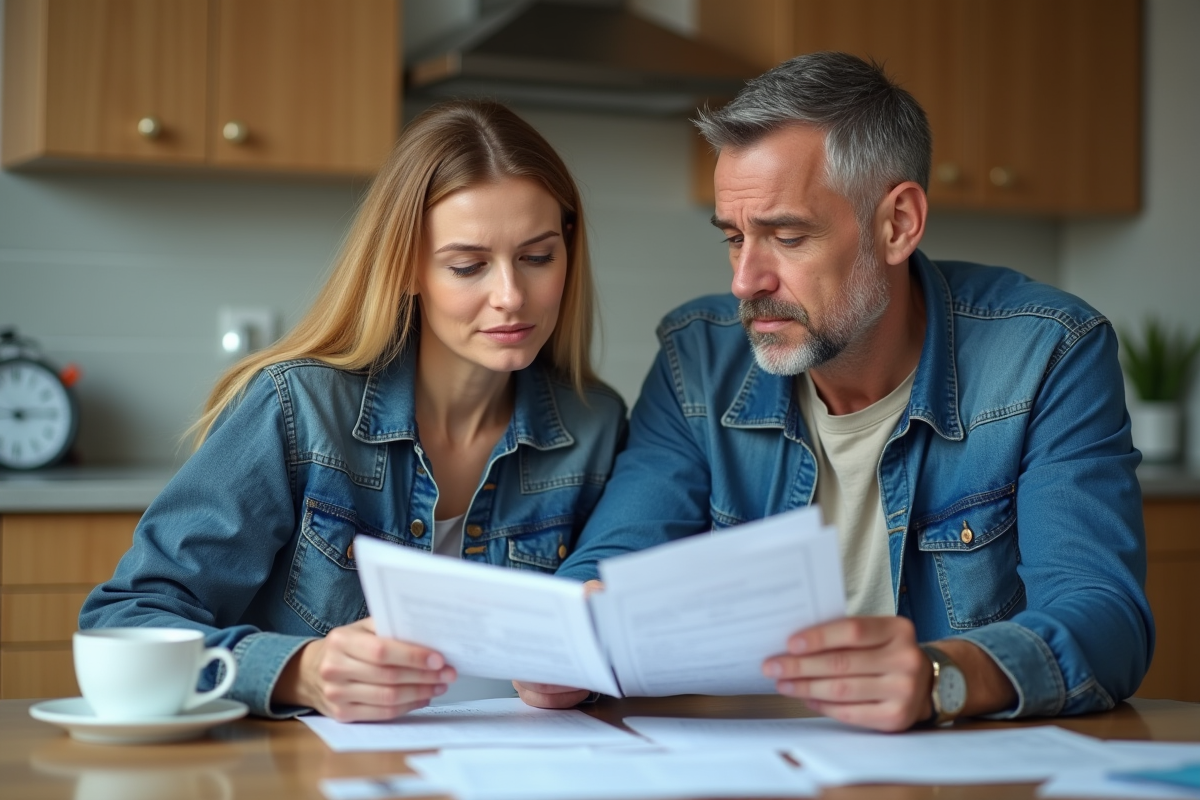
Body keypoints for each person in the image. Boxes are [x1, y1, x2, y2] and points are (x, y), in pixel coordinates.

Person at [522, 52, 1153, 730]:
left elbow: (1104, 616)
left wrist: (943, 675)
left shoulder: (1047, 353)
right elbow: (613, 556)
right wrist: (567, 643)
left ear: (898, 224)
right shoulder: (698, 359)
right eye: (735, 239)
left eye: (787, 236)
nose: (745, 280)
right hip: (751, 766)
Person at [81, 99, 627, 722]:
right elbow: (125, 619)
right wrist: (300, 673)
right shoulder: (297, 407)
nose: (510, 296)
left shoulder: (595, 424)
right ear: (406, 268)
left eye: (537, 257)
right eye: (468, 266)